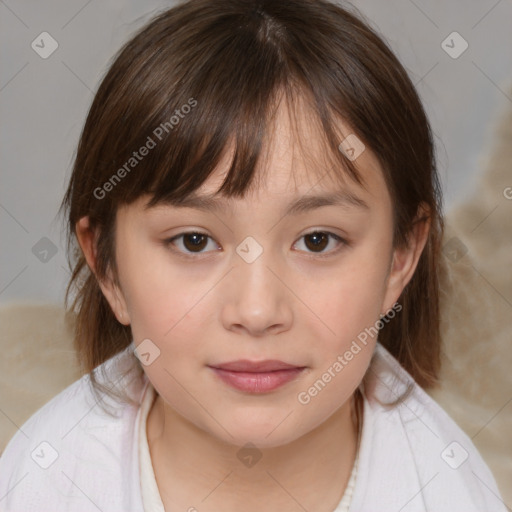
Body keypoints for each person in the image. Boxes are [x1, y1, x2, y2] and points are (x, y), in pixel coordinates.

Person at [0, 0, 507, 510]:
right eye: (194, 241)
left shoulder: (451, 492)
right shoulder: (42, 484)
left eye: (317, 240)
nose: (258, 311)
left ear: (400, 258)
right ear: (107, 268)